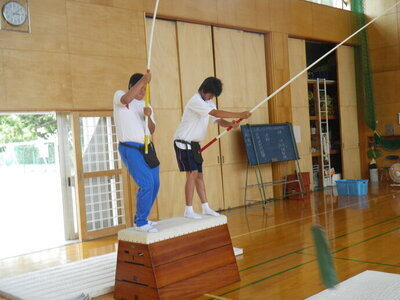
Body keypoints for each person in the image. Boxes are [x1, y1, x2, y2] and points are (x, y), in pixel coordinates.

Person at [174, 77, 251, 219]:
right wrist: (239, 114)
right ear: (204, 90)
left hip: (194, 144)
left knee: (199, 175)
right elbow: (215, 113)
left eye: (213, 96)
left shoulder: (208, 102)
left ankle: (205, 207)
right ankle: (188, 210)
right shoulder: (196, 100)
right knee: (192, 174)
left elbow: (218, 120)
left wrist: (230, 124)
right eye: (210, 94)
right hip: (183, 142)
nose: (211, 97)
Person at [113, 72, 160, 233]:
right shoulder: (121, 96)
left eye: (144, 89)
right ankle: (140, 222)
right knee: (146, 183)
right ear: (131, 86)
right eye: (140, 88)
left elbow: (152, 129)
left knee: (155, 183)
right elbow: (126, 99)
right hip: (130, 148)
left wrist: (148, 117)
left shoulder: (146, 105)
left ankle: (144, 217)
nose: (142, 92)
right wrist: (143, 80)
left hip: (147, 147)